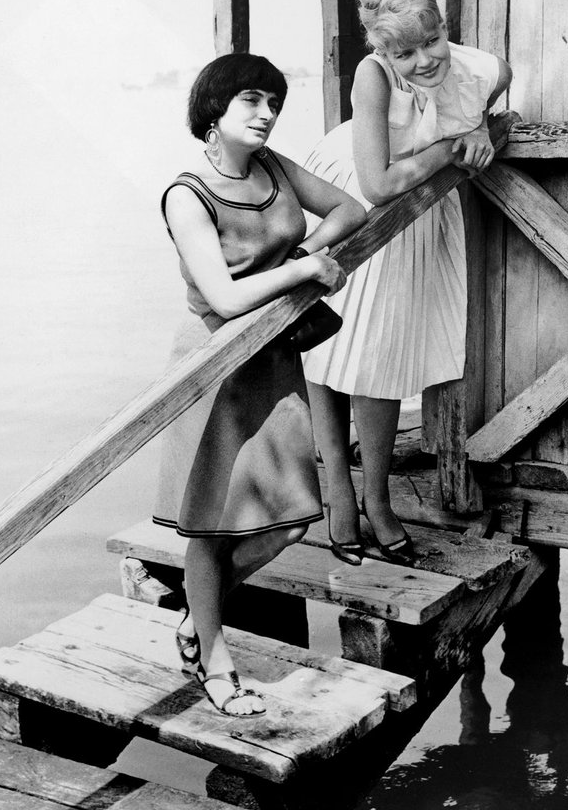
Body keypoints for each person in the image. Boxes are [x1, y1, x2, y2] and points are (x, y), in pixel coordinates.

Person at [154, 53, 365, 718]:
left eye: (273, 101)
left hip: (273, 360)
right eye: (250, 100)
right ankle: (215, 663)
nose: (266, 114)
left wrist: (306, 254)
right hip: (216, 367)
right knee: (211, 530)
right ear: (212, 110)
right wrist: (304, 273)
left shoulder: (275, 169)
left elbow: (349, 209)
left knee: (293, 520)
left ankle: (196, 613)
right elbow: (221, 293)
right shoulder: (186, 194)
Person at [304, 0, 512, 566]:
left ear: (444, 27)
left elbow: (494, 91)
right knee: (328, 346)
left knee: (384, 357)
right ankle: (337, 493)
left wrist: (477, 129)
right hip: (359, 198)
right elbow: (379, 181)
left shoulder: (482, 69)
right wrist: (450, 148)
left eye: (432, 42)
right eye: (404, 52)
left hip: (418, 217)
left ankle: (377, 497)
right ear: (380, 50)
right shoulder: (372, 78)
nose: (424, 60)